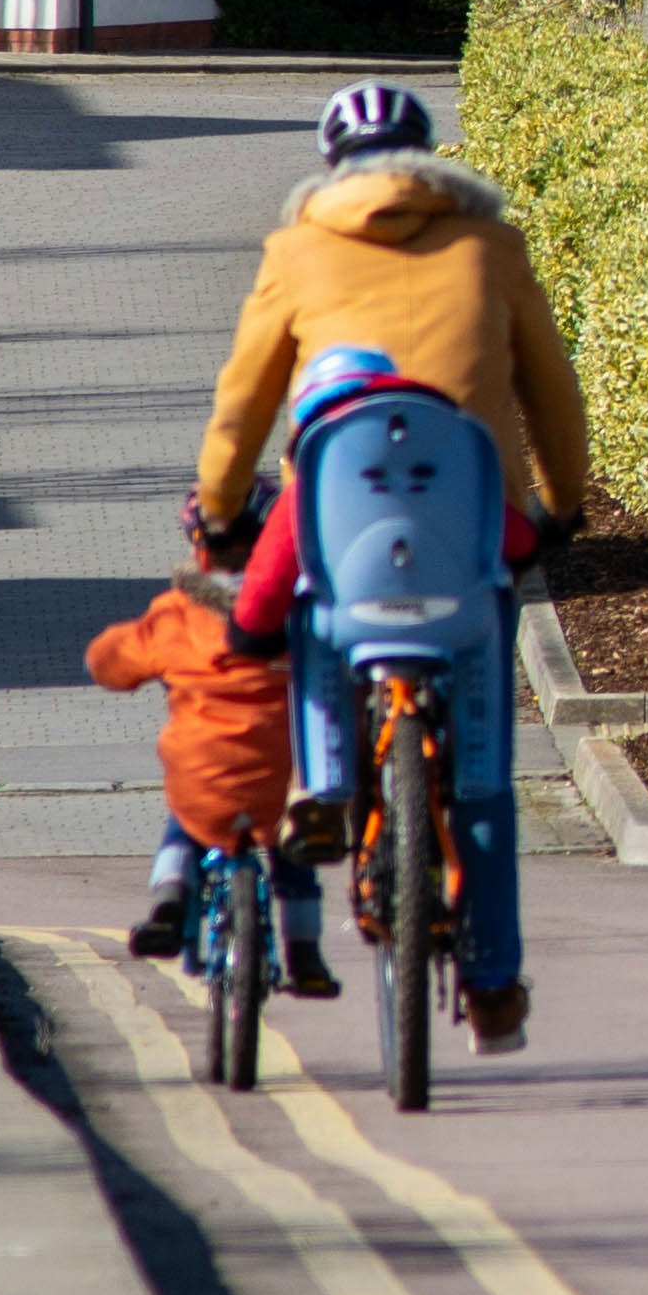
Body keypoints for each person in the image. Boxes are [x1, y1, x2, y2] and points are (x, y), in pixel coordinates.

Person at [229, 341, 551, 1050]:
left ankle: (327, 783)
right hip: (458, 629)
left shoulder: (325, 456)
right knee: (482, 784)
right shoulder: (455, 447)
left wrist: (247, 633)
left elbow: (275, 573)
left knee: (309, 614)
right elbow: (517, 539)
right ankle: (492, 978)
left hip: (352, 630)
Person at [190, 81, 597, 553]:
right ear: (427, 157)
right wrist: (562, 502)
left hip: (335, 508)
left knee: (286, 617)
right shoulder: (494, 248)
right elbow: (552, 392)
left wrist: (220, 505)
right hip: (479, 511)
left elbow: (246, 397)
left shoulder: (294, 253)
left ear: (330, 164)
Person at [91, 549, 325, 996]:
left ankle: (170, 897)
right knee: (292, 846)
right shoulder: (301, 607)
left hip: (202, 771)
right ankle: (305, 951)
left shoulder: (179, 613)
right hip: (279, 774)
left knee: (186, 820)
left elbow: (110, 663)